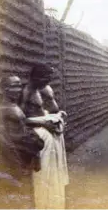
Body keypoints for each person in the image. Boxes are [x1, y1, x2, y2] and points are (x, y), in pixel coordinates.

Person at [0, 75, 56, 208]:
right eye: (13, 86)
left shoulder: (14, 106)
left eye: (19, 85)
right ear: (4, 89)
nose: (18, 89)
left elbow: (23, 130)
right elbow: (3, 139)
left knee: (29, 195)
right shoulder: (2, 110)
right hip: (17, 158)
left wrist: (35, 150)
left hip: (26, 155)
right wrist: (16, 163)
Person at [21, 64, 69, 209]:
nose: (48, 82)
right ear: (37, 77)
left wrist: (58, 116)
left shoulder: (43, 89)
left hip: (51, 132)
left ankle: (55, 202)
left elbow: (51, 108)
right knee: (44, 172)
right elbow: (22, 118)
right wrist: (44, 123)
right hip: (40, 135)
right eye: (46, 78)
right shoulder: (26, 92)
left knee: (55, 172)